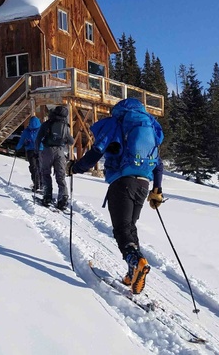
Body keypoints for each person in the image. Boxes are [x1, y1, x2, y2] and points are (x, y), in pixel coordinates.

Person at [67, 98, 164, 295]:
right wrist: (157, 190)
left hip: (122, 182)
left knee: (121, 230)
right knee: (130, 226)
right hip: (143, 184)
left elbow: (96, 151)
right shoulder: (149, 126)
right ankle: (132, 272)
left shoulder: (116, 123)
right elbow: (159, 163)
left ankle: (136, 261)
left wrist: (75, 167)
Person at [35, 105, 74, 210]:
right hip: (60, 152)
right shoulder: (65, 126)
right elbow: (71, 141)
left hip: (47, 151)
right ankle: (63, 197)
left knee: (46, 173)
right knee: (60, 175)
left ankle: (47, 197)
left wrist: (36, 151)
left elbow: (38, 138)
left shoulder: (47, 124)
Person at [15, 116, 44, 192]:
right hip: (40, 150)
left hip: (30, 150)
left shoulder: (26, 130)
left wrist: (17, 148)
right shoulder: (42, 129)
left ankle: (36, 184)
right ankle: (42, 185)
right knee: (40, 167)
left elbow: (21, 141)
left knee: (33, 167)